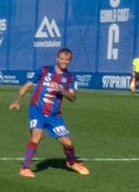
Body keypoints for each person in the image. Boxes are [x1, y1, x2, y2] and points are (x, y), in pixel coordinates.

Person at [11, 47, 88, 177]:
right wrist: (17, 100)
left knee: (68, 144)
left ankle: (71, 162)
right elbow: (28, 85)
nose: (64, 62)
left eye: (67, 60)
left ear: (70, 61)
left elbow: (72, 97)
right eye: (62, 59)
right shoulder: (44, 70)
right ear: (57, 59)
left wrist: (60, 89)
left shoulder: (69, 77)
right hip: (37, 110)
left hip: (54, 115)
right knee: (37, 135)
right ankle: (25, 168)